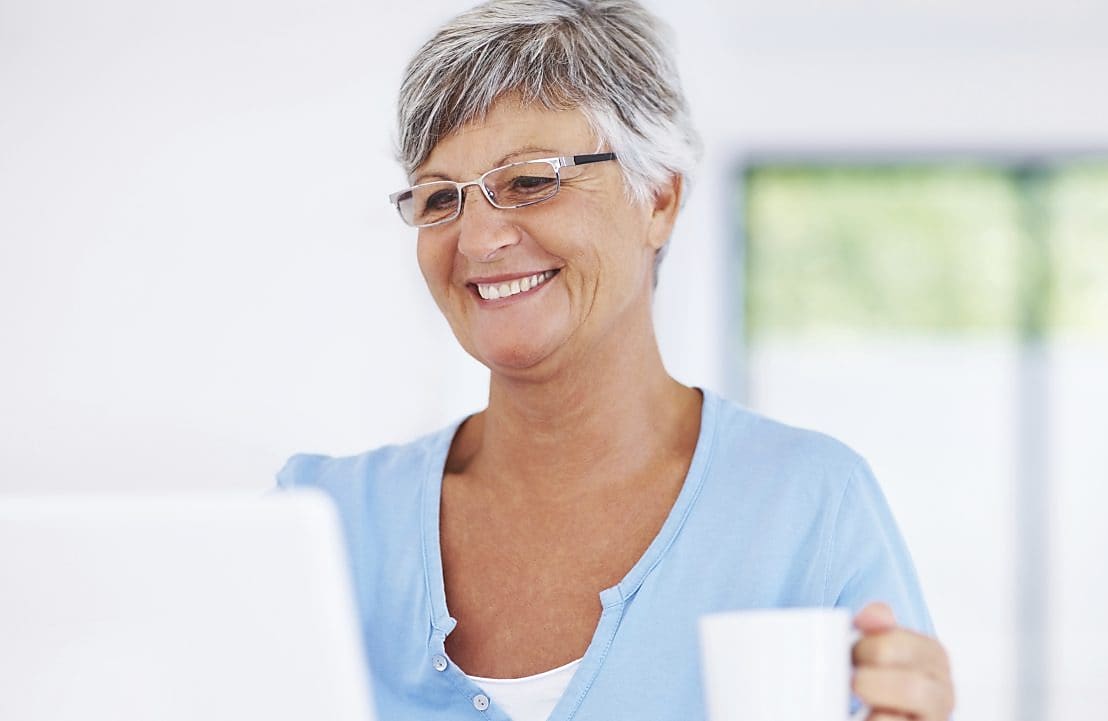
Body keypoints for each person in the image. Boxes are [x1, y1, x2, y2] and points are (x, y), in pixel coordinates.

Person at [276, 1, 956, 720]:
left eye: (529, 181)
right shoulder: (321, 520)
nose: (476, 240)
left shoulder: (810, 505)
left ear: (658, 199)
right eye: (440, 197)